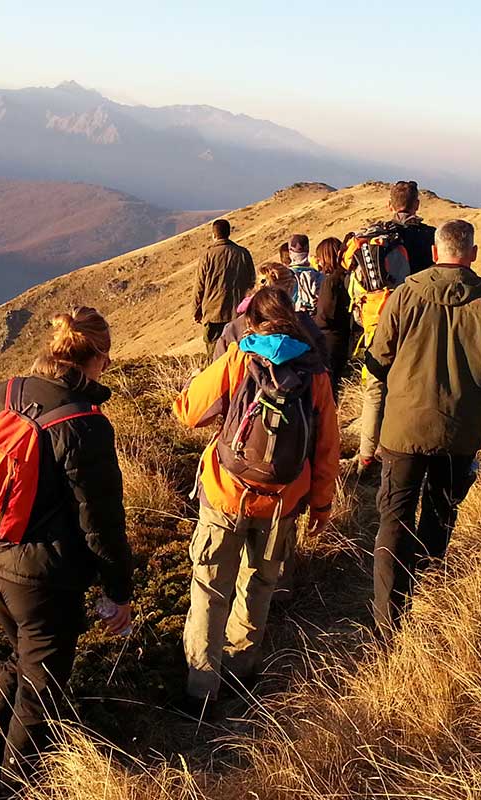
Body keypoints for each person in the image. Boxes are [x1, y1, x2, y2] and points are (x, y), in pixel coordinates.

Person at [0, 308, 134, 789]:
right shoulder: (84, 424)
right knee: (42, 686)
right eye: (107, 359)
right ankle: (18, 783)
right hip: (43, 578)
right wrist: (118, 589)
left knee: (22, 658)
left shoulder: (3, 393)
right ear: (94, 358)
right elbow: (100, 522)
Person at [173, 287, 340, 714]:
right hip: (284, 500)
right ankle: (243, 669)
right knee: (261, 582)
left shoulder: (239, 358)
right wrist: (320, 505)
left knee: (210, 588)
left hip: (227, 493)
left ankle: (201, 689)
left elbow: (189, 411)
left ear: (253, 323)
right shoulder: (314, 372)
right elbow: (326, 448)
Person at [366, 220, 481, 634]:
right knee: (439, 514)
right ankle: (427, 598)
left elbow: (376, 361)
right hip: (460, 431)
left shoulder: (405, 295)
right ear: (472, 252)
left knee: (393, 518)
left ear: (436, 252)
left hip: (403, 427)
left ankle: (387, 623)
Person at [349, 181, 437, 475]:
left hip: (380, 323)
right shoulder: (430, 237)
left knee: (375, 390)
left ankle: (365, 457)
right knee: (414, 389)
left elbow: (356, 287)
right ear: (417, 206)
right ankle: (406, 452)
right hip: (421, 323)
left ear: (390, 205)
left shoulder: (377, 238)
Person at [213, 262, 327, 363]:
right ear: (290, 291)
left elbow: (217, 374)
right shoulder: (303, 324)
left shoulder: (232, 330)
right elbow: (324, 362)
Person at [194, 219, 256, 364]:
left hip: (212, 313)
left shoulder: (207, 255)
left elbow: (199, 286)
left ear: (213, 235)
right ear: (229, 233)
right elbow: (252, 282)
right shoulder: (243, 254)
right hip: (237, 313)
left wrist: (196, 310)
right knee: (237, 354)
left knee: (213, 356)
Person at [312, 236, 355, 396]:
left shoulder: (330, 281)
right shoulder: (348, 277)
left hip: (329, 339)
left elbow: (324, 316)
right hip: (345, 336)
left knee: (329, 388)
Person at [287, 234, 323, 319]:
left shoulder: (284, 276)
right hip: (317, 321)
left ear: (290, 253)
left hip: (294, 321)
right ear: (307, 251)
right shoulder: (318, 275)